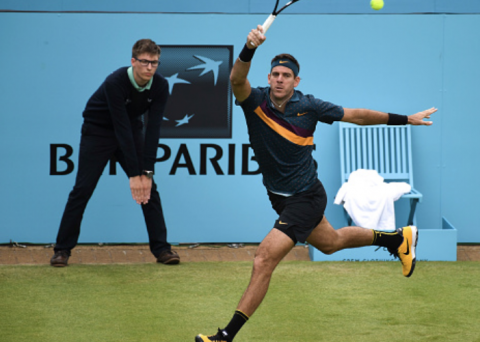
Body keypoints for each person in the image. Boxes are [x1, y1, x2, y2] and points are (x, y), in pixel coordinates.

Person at [196, 26, 437, 342]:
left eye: (286, 75)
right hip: (280, 197)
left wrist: (405, 118)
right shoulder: (253, 101)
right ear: (268, 78)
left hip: (306, 197)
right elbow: (236, 80)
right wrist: (249, 48)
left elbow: (358, 116)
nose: (280, 78)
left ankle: (225, 336)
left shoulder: (310, 107)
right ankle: (396, 239)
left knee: (264, 258)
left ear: (296, 82)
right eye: (275, 74)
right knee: (331, 242)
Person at [50, 39, 180, 267]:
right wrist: (133, 174)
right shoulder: (115, 82)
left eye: (155, 63)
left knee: (150, 189)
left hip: (130, 128)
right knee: (82, 189)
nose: (150, 67)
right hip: (97, 130)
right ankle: (62, 250)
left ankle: (162, 249)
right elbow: (120, 129)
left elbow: (153, 130)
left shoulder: (160, 85)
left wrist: (146, 172)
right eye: (145, 62)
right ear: (133, 61)